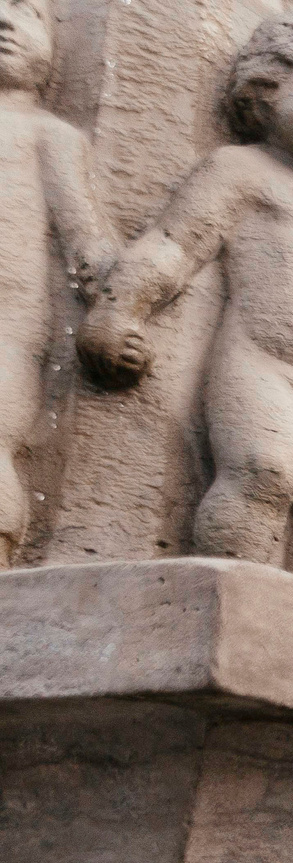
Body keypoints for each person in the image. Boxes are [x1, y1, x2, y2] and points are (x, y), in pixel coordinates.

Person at [76, 9, 293, 602]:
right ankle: (235, 601)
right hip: (264, 366)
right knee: (263, 474)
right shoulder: (243, 171)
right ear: (269, 88)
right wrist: (118, 312)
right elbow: (172, 247)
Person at [0, 0, 115, 564]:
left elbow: (83, 233)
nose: (4, 24)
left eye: (27, 14)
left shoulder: (50, 135)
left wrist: (118, 304)